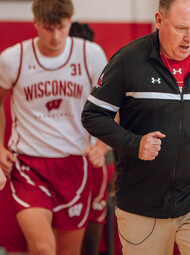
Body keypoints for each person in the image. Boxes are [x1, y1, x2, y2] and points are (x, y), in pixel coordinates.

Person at [81, 0, 190, 254]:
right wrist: (135, 143)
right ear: (159, 20)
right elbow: (92, 115)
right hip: (141, 206)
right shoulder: (128, 59)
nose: (189, 38)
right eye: (180, 28)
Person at [0, 0, 107, 254]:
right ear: (35, 23)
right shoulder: (13, 58)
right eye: (49, 28)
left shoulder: (90, 54)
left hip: (74, 163)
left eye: (62, 27)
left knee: (68, 251)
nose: (56, 36)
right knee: (44, 248)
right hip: (28, 164)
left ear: (70, 21)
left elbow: (111, 104)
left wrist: (101, 145)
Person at [67, 20, 109, 255]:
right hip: (62, 157)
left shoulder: (99, 73)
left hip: (92, 157)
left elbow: (115, 112)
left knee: (94, 218)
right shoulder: (53, 76)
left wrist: (101, 147)